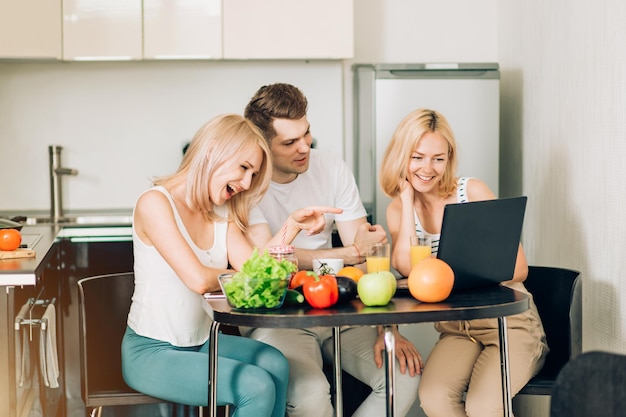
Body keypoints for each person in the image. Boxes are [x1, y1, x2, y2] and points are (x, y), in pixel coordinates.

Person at [121, 113, 341, 417]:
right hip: (152, 352)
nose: (246, 183)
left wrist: (292, 226)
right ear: (212, 151)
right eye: (244, 168)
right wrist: (244, 275)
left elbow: (258, 269)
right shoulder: (155, 203)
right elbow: (197, 279)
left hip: (201, 343)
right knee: (255, 386)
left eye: (253, 174)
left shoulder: (219, 213)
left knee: (275, 362)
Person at [242, 83, 421, 417]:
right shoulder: (247, 184)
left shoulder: (331, 167)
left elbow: (366, 254)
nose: (305, 147)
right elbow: (276, 261)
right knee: (311, 394)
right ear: (263, 145)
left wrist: (389, 327)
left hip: (340, 309)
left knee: (403, 375)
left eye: (307, 134)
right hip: (282, 318)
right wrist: (347, 255)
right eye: (290, 142)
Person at [379, 108, 549, 417]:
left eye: (438, 158)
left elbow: (519, 268)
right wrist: (406, 200)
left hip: (509, 324)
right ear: (401, 157)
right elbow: (406, 267)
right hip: (457, 329)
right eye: (417, 157)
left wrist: (444, 277)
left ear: (449, 159)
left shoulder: (471, 192)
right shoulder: (398, 210)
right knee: (433, 397)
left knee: (483, 406)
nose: (427, 169)